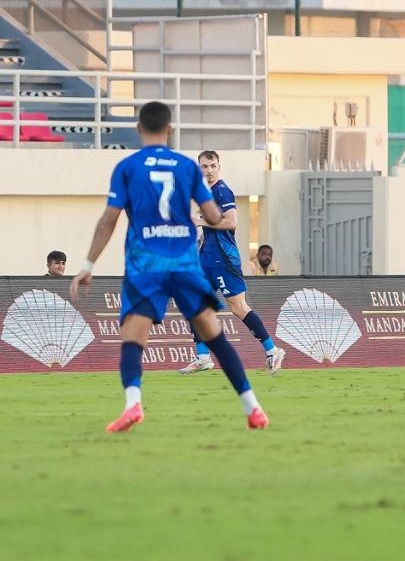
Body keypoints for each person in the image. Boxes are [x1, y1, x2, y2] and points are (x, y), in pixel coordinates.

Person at [70, 101, 268, 431]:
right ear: (170, 130)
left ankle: (133, 404)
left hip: (145, 263)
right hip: (185, 263)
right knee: (215, 336)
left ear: (139, 129)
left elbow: (109, 220)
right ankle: (253, 408)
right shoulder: (186, 167)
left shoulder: (127, 167)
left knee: (133, 337)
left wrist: (88, 264)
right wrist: (201, 216)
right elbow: (213, 214)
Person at [178, 151, 286, 376]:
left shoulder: (222, 191)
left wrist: (200, 221)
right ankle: (203, 358)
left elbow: (231, 222)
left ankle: (273, 351)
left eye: (212, 166)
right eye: (204, 166)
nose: (209, 170)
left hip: (223, 260)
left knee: (238, 308)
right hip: (207, 259)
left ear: (219, 167)